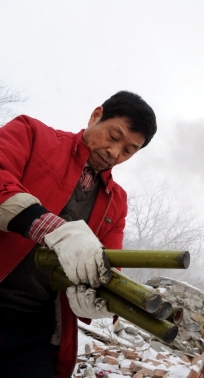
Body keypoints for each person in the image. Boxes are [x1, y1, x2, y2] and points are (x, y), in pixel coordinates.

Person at [0, 91, 157, 377]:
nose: (114, 152)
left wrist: (98, 301)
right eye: (114, 135)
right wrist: (52, 228)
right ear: (96, 115)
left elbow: (109, 266)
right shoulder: (32, 134)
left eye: (128, 150)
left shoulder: (116, 201)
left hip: (34, 327)